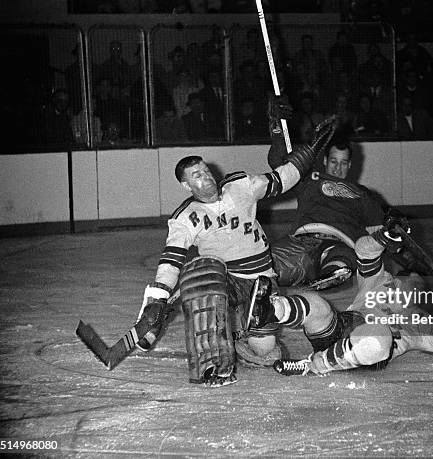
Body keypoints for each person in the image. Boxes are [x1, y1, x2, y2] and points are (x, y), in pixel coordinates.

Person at [136, 109, 337, 387]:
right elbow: (171, 261)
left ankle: (241, 336)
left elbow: (282, 179)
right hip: (226, 279)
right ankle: (213, 365)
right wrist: (159, 297)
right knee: (199, 280)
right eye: (196, 176)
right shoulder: (184, 217)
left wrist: (312, 150)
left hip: (261, 279)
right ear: (186, 185)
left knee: (266, 353)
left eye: (205, 170)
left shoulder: (240, 186)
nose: (205, 177)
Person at [247, 217, 433, 376]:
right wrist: (385, 237)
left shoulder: (421, 323)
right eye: (408, 280)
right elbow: (364, 251)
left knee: (378, 338)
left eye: (417, 286)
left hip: (367, 352)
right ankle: (268, 310)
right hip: (341, 327)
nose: (409, 287)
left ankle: (312, 365)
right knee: (317, 304)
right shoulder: (379, 282)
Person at [268, 97, 388, 290]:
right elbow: (277, 163)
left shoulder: (363, 194)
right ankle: (276, 277)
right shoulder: (309, 179)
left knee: (343, 259)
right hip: (304, 241)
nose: (337, 168)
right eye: (333, 161)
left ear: (349, 165)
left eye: (342, 163)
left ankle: (330, 275)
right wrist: (277, 130)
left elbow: (380, 235)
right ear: (325, 161)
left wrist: (395, 233)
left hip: (341, 242)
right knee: (269, 269)